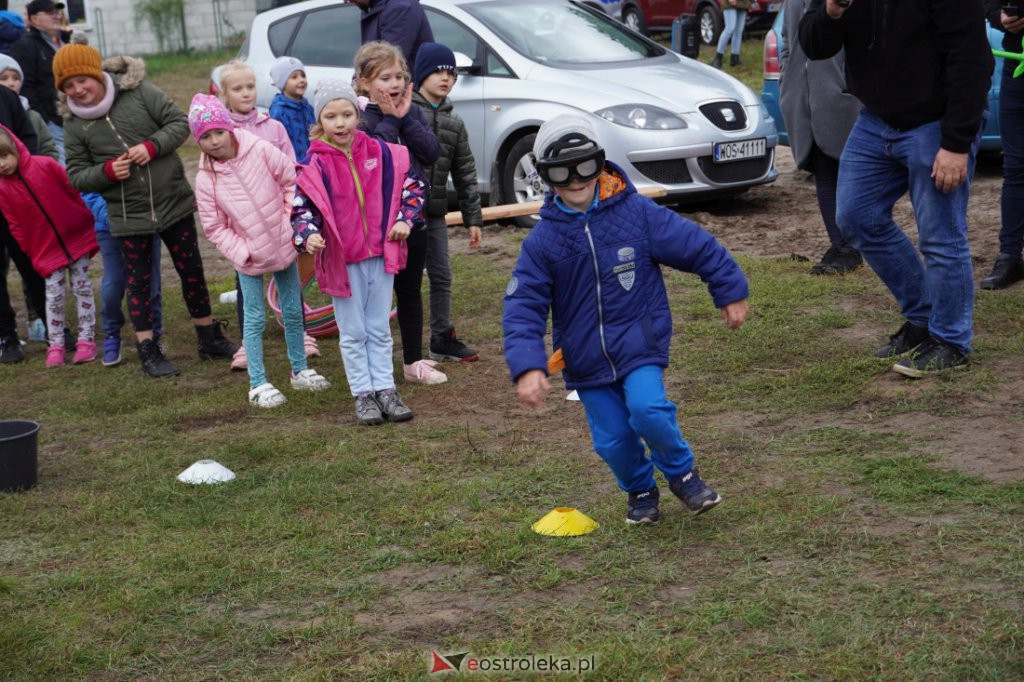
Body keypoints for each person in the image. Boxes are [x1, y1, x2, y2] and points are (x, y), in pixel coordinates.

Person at [503, 114, 749, 525]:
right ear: (546, 176)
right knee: (613, 439)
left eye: (585, 167)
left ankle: (684, 475)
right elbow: (522, 305)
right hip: (585, 360)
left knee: (648, 408)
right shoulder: (542, 242)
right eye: (561, 173)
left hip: (640, 344)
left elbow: (696, 246)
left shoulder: (638, 214)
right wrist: (528, 365)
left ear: (600, 162)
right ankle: (640, 490)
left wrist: (729, 289)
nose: (576, 181)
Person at [799, 0, 993, 378]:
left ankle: (951, 340)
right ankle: (923, 318)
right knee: (855, 217)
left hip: (935, 122)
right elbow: (814, 44)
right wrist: (833, 10)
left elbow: (971, 61)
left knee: (940, 235)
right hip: (876, 120)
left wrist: (955, 144)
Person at [58, 43, 238, 378]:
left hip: (172, 200)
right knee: (138, 282)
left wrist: (151, 146)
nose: (78, 89)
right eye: (68, 86)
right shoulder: (73, 125)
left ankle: (208, 337)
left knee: (192, 271)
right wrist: (108, 172)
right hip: (128, 214)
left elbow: (179, 123)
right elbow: (77, 176)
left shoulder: (138, 91)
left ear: (96, 72)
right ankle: (148, 350)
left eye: (82, 79)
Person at [291, 79, 423, 425]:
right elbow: (300, 208)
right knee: (353, 332)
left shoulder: (382, 153)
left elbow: (412, 186)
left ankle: (386, 389)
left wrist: (404, 220)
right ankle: (363, 395)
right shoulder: (313, 165)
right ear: (321, 122)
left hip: (381, 256)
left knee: (378, 327)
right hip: (343, 261)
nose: (341, 123)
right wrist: (309, 236)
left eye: (347, 114)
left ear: (357, 115)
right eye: (331, 116)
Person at [190, 94, 331, 407]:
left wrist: (288, 226)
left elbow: (290, 181)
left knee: (293, 310)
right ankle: (258, 383)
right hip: (249, 258)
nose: (214, 142)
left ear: (228, 129)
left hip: (284, 245)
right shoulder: (205, 179)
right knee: (253, 319)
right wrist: (243, 252)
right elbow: (214, 227)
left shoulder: (259, 149)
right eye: (205, 137)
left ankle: (300, 370)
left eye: (218, 132)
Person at [217, 60, 321, 371]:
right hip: (245, 224)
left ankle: (300, 333)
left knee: (289, 278)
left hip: (278, 219)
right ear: (225, 94)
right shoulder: (223, 135)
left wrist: (290, 210)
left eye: (250, 86)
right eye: (238, 88)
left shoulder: (272, 127)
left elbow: (289, 168)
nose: (246, 93)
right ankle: (247, 347)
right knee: (245, 285)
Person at [355, 40, 445, 385]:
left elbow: (431, 151)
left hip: (412, 218)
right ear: (364, 83)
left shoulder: (411, 110)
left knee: (409, 290)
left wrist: (405, 117)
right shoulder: (359, 117)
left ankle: (412, 361)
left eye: (398, 76)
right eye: (384, 78)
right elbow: (375, 159)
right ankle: (370, 364)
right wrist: (391, 120)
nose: (393, 85)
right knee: (374, 297)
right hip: (378, 224)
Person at [0, 126, 97, 367]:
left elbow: (72, 191)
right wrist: (30, 249)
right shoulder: (2, 189)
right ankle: (55, 344)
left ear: (14, 148)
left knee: (82, 289)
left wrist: (85, 221)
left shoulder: (45, 165)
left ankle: (87, 340)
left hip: (75, 239)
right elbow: (15, 226)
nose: (1, 164)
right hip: (45, 250)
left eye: (3, 156)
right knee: (53, 296)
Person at [779, 0, 862, 275]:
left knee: (851, 173)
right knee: (824, 171)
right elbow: (787, 40)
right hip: (802, 101)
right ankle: (842, 246)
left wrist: (846, 84)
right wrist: (786, 81)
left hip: (841, 99)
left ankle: (853, 244)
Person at [411, 42, 482, 363]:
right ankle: (394, 345)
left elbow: (466, 173)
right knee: (404, 281)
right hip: (402, 215)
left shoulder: (455, 123)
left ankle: (441, 338)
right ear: (421, 73)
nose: (445, 78)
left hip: (435, 213)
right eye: (438, 70)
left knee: (441, 276)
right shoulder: (407, 114)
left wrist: (474, 220)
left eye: (450, 73)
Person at [83, 191, 163, 367]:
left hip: (146, 225)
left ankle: (154, 337)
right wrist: (115, 219)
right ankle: (112, 335)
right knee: (114, 283)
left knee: (152, 283)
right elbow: (88, 191)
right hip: (109, 229)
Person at [981, 0, 1024, 289]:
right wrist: (1000, 16)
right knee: (1015, 166)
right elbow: (987, 4)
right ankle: (1010, 255)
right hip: (1015, 65)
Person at [0, 82, 40, 364]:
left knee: (32, 263)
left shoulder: (6, 97)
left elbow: (28, 139)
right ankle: (7, 336)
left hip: (15, 198)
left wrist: (21, 172)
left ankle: (52, 323)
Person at [9, 0, 71, 163]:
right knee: (63, 172)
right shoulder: (25, 46)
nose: (56, 16)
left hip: (70, 119)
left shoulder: (63, 42)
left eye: (57, 13)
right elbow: (24, 87)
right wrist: (46, 120)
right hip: (51, 123)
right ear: (34, 19)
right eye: (50, 13)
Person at [0, 54, 57, 160]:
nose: (11, 83)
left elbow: (48, 148)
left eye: (16, 78)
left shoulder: (33, 116)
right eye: (4, 78)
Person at [353, 0, 434, 68]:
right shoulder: (375, 7)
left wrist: (359, 82)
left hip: (404, 85)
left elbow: (387, 64)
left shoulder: (399, 7)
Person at [268, 56, 314, 161]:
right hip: (292, 165)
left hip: (312, 163)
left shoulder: (308, 107)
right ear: (282, 83)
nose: (301, 80)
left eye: (303, 76)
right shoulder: (279, 111)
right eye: (294, 77)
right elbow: (277, 144)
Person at [711, 0, 748, 69]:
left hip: (743, 3)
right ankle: (718, 58)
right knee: (729, 29)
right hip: (729, 3)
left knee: (738, 31)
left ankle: (735, 58)